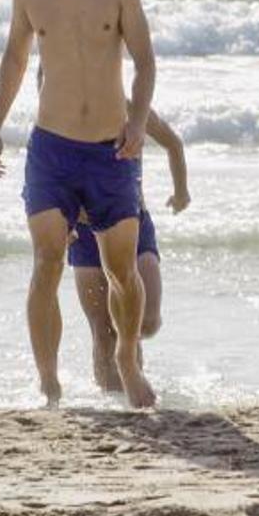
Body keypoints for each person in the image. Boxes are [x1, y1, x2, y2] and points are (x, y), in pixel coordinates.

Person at [0, 0, 158, 409]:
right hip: (51, 149)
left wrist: (139, 122)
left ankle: (126, 357)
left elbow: (146, 60)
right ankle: (49, 383)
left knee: (122, 271)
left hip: (110, 150)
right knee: (46, 261)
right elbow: (14, 60)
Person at [71, 106, 189, 393]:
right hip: (84, 233)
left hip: (132, 221)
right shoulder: (60, 116)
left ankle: (130, 368)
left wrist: (181, 191)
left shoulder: (131, 109)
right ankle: (116, 403)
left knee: (144, 322)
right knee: (103, 331)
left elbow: (173, 143)